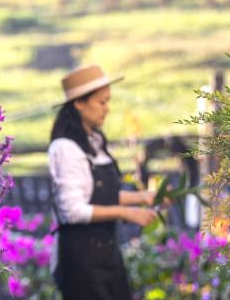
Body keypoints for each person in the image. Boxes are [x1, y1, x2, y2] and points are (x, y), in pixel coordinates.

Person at [48, 65, 159, 300]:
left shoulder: (95, 141)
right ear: (79, 103)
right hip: (81, 259)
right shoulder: (65, 148)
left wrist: (143, 198)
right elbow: (74, 211)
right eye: (101, 102)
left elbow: (99, 195)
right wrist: (125, 213)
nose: (107, 109)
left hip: (107, 253)